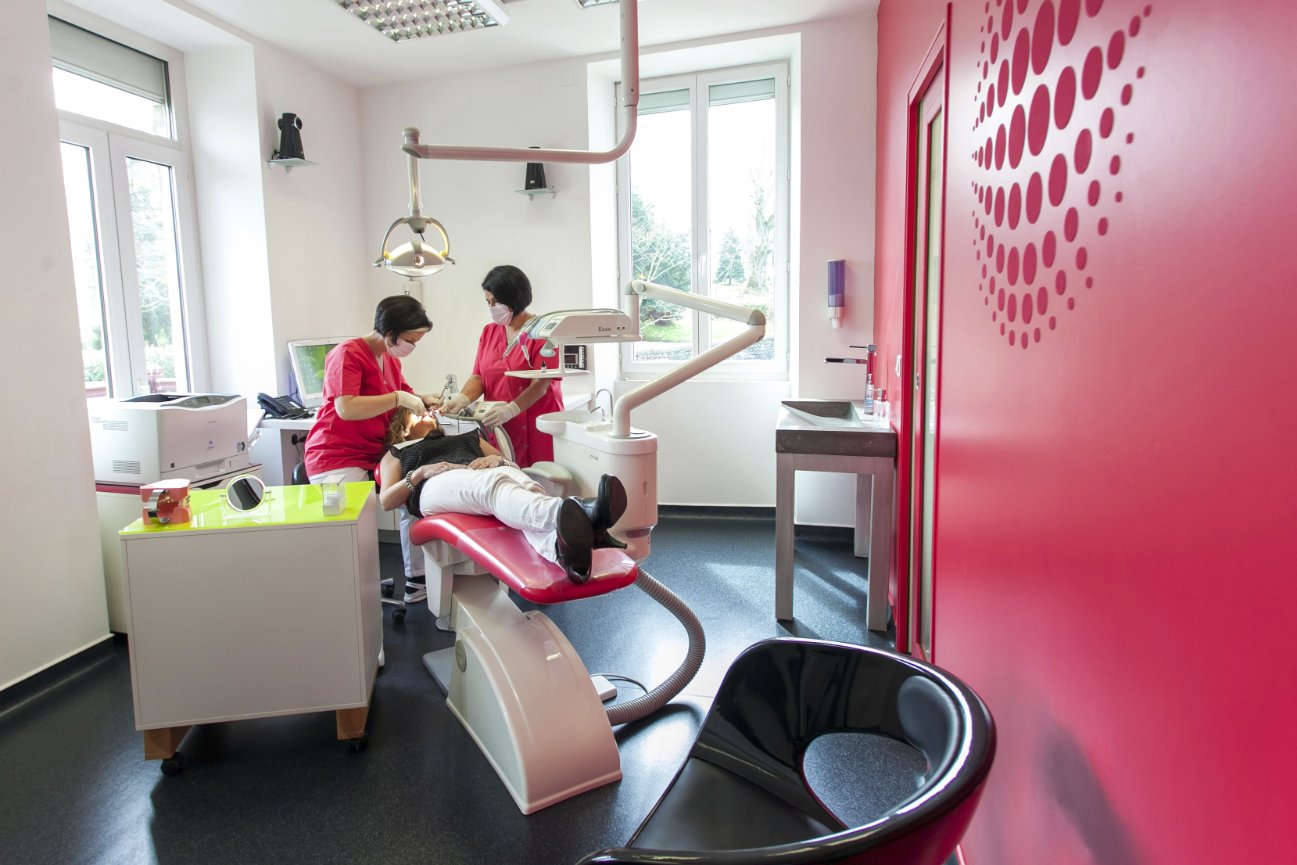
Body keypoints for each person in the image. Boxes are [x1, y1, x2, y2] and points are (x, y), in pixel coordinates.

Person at [377, 408, 627, 584]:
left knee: (526, 487)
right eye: (418, 411)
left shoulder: (467, 438)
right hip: (435, 484)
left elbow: (510, 463)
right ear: (403, 426)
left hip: (484, 473)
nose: (427, 411)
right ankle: (581, 513)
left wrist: (498, 460)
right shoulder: (398, 452)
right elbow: (387, 501)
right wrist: (419, 473)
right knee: (495, 485)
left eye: (428, 409)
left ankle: (562, 552)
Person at [304, 294, 438, 603]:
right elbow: (347, 408)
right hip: (336, 455)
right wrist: (398, 398)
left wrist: (422, 398)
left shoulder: (389, 359)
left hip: (374, 454)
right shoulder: (347, 354)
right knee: (358, 528)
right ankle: (352, 596)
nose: (412, 347)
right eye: (410, 340)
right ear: (390, 333)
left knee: (415, 496)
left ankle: (417, 580)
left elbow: (403, 394)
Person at [436, 265, 564, 467]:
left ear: (514, 298)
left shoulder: (543, 332)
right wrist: (463, 398)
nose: (491, 307)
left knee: (540, 478)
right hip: (501, 427)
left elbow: (541, 384)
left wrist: (511, 409)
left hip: (538, 428)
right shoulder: (489, 332)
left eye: (496, 301)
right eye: (488, 302)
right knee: (507, 475)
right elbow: (478, 376)